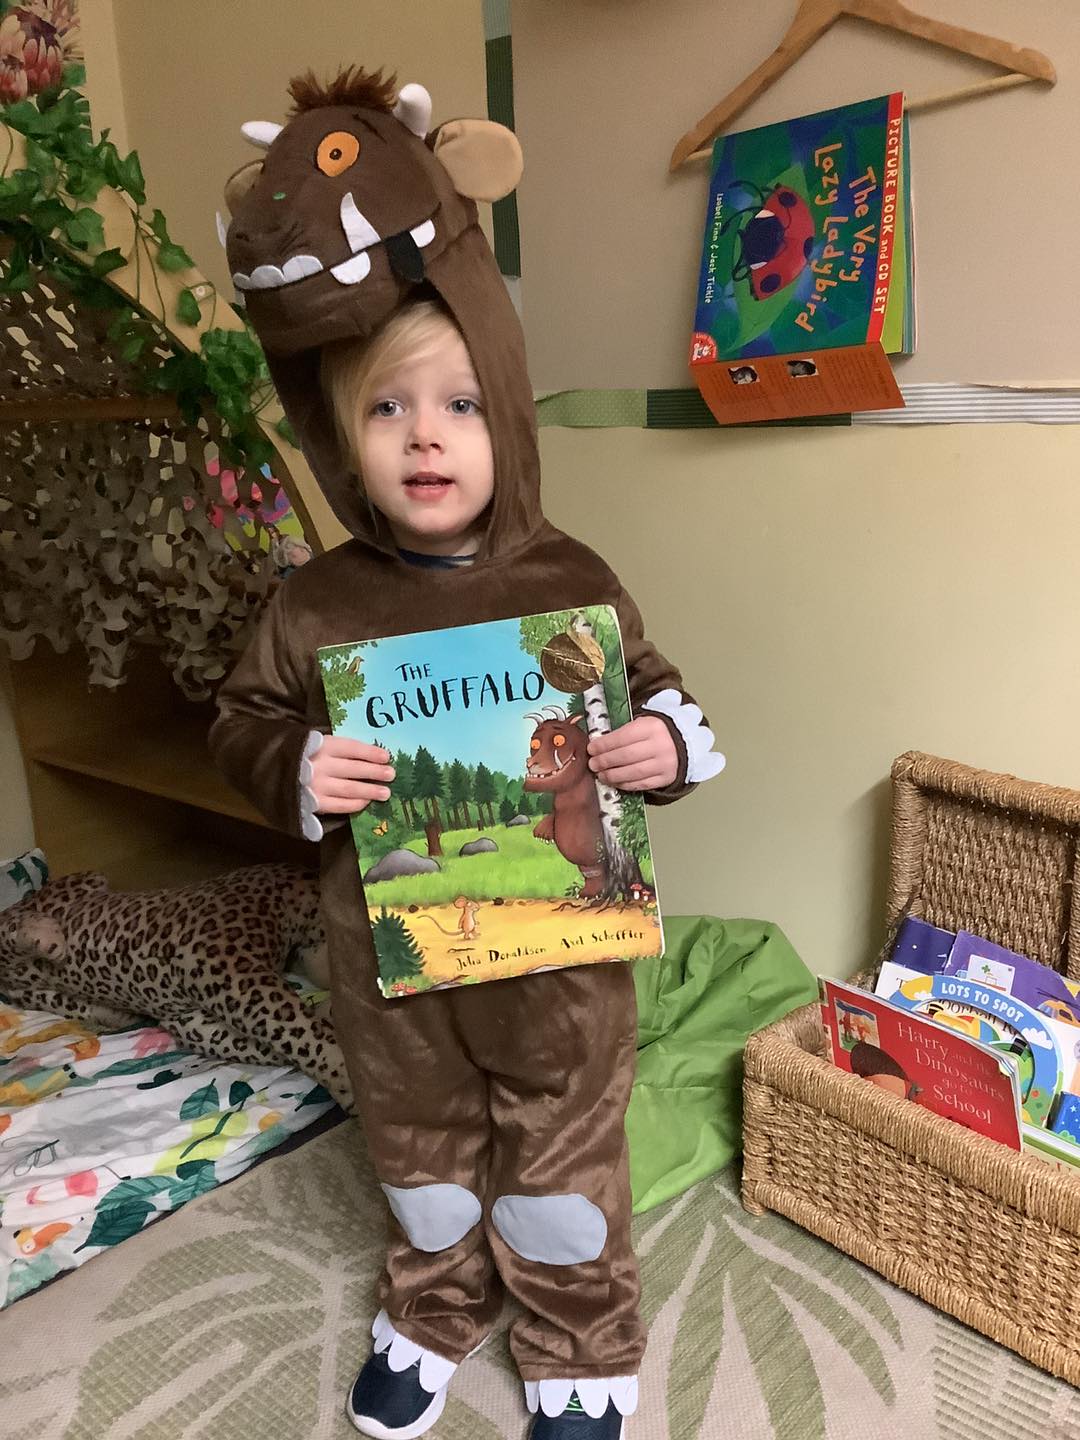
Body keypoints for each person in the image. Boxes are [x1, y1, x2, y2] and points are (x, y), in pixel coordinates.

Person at [211, 65, 724, 1440]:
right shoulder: (313, 602)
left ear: (507, 409)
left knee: (560, 1169)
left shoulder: (571, 575)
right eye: (386, 411)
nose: (423, 437)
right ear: (339, 432)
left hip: (561, 977)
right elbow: (242, 723)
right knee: (421, 1157)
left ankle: (577, 1338)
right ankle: (434, 1306)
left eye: (458, 407)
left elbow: (665, 701)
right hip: (391, 967)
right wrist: (295, 770)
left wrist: (653, 748)